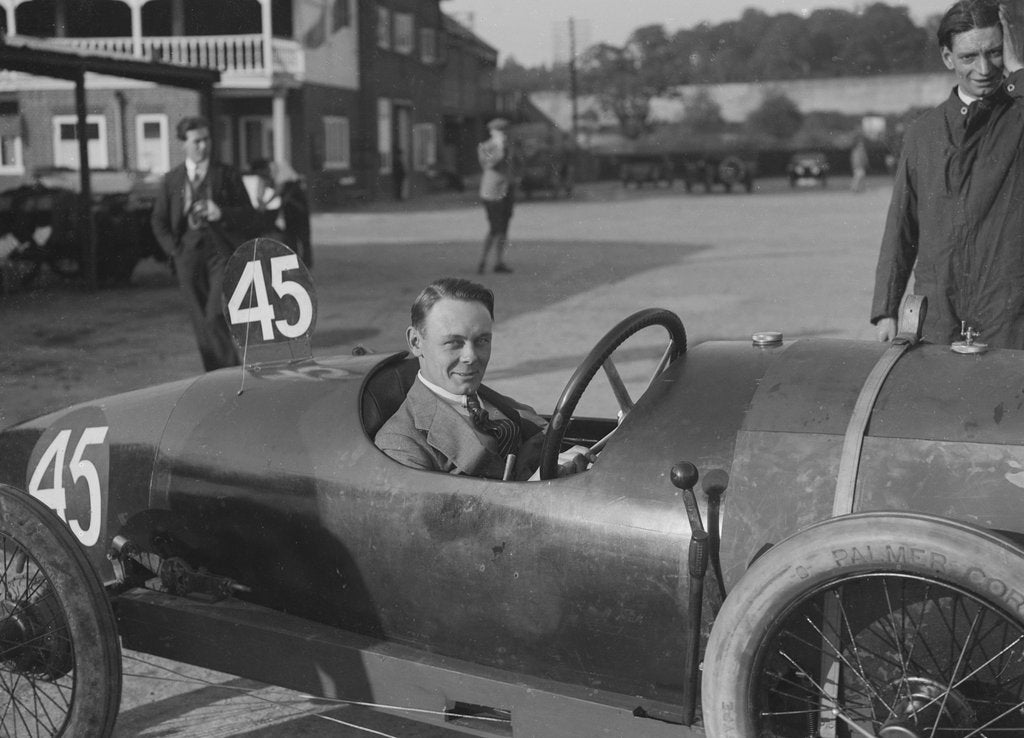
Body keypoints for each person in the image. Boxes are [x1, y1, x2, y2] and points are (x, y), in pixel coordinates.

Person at [871, 0, 1024, 348]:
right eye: (969, 56)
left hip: (1011, 319)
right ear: (947, 58)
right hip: (939, 316)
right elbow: (901, 226)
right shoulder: (922, 133)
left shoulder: (1019, 118)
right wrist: (886, 309)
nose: (984, 68)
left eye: (995, 52)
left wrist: (1019, 72)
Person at [374, 278, 591, 480]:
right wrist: (536, 488)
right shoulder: (401, 443)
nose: (471, 357)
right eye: (453, 343)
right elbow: (434, 520)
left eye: (482, 340)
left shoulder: (498, 404)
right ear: (415, 342)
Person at [152, 116, 255, 371]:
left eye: (206, 140)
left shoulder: (227, 174)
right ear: (183, 144)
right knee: (200, 322)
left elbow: (250, 215)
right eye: (196, 141)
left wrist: (222, 212)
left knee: (215, 314)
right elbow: (158, 220)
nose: (203, 146)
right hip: (187, 256)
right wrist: (174, 251)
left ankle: (230, 374)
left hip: (221, 254)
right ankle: (216, 377)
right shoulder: (172, 180)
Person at [477, 118, 517, 275]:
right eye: (500, 131)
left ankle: (499, 262)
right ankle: (482, 261)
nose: (504, 134)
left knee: (504, 227)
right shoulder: (485, 147)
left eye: (506, 131)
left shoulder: (510, 147)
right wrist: (500, 147)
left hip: (507, 190)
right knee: (495, 228)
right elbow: (488, 164)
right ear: (492, 132)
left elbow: (515, 165)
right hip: (492, 192)